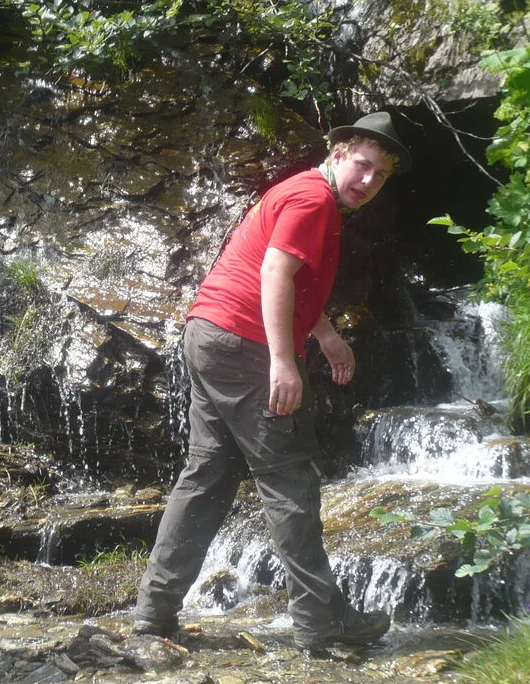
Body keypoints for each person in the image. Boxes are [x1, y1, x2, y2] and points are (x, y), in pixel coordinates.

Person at [132, 112, 411, 650]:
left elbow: (290, 277)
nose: (368, 182)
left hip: (207, 333)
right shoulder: (312, 202)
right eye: (362, 165)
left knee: (206, 476)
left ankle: (154, 611)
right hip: (244, 343)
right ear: (338, 155)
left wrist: (325, 335)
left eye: (380, 175)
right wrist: (283, 360)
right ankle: (322, 625)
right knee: (289, 479)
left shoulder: (303, 192)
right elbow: (275, 274)